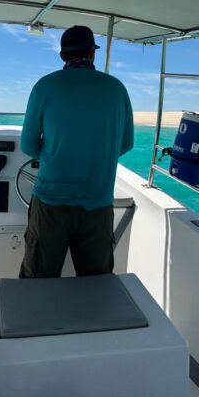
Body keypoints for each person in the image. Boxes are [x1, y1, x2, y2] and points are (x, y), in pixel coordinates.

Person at [19, 25, 134, 278]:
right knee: (96, 285)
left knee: (37, 282)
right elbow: (125, 144)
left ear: (63, 55)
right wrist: (95, 157)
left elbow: (27, 145)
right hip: (98, 206)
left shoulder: (45, 87)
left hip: (51, 205)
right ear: (92, 54)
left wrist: (53, 156)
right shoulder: (117, 89)